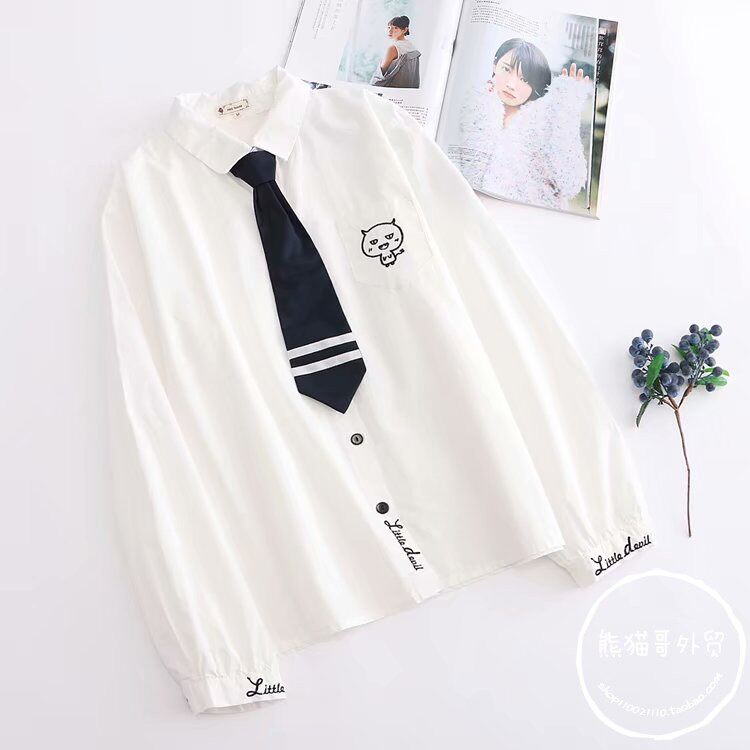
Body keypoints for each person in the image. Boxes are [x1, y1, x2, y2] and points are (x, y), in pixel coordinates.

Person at [459, 37, 593, 211]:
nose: (511, 85)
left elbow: (571, 183)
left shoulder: (544, 123)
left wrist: (566, 113)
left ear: (535, 85)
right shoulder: (472, 107)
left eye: (524, 80)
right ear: (494, 65)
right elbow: (470, 177)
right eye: (506, 69)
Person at [370, 15, 421, 88]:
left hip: (392, 89)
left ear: (404, 30)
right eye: (389, 27)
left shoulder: (393, 48)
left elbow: (380, 75)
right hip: (408, 90)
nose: (390, 31)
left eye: (395, 28)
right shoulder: (411, 47)